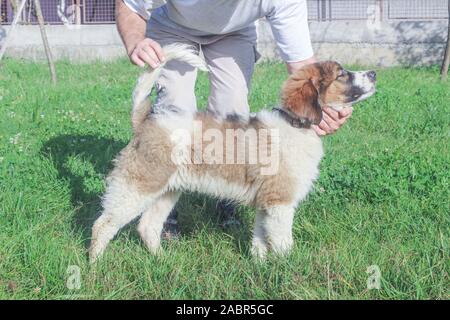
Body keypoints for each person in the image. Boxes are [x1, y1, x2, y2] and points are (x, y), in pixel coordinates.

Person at [115, 0, 353, 237]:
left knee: (233, 110)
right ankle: (163, 204)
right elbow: (130, 6)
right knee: (176, 106)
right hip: (173, 24)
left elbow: (304, 70)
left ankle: (228, 196)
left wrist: (322, 109)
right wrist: (136, 41)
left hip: (234, 32)